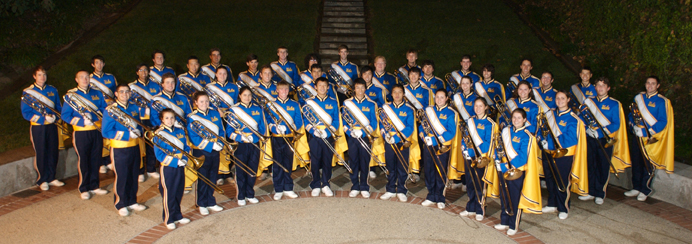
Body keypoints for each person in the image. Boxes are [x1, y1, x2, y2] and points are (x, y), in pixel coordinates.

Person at [489, 108, 542, 236]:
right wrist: (496, 157)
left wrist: (507, 165)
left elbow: (523, 157)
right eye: (514, 117)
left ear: (524, 120)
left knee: (514, 198)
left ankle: (513, 224)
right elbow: (498, 145)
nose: (516, 120)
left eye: (519, 118)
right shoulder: (506, 131)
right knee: (504, 196)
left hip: (516, 171)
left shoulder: (527, 136)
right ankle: (505, 220)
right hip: (502, 168)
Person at [579, 77, 630, 205]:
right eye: (598, 85)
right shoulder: (588, 101)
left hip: (604, 139)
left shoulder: (615, 104)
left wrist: (600, 132)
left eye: (603, 85)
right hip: (590, 138)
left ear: (608, 88)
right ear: (595, 87)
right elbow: (581, 119)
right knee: (590, 164)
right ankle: (590, 191)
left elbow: (616, 124)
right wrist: (586, 129)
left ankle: (600, 193)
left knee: (603, 166)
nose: (600, 88)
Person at [625, 76, 674, 201]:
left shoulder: (662, 101)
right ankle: (636, 187)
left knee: (647, 164)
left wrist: (649, 132)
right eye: (648, 83)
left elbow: (663, 121)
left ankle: (645, 189)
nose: (650, 86)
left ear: (658, 86)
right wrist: (633, 126)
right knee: (636, 162)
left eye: (653, 84)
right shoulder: (638, 98)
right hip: (637, 136)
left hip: (650, 138)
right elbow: (631, 114)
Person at [540, 91, 588, 220]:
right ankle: (552, 203)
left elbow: (570, 138)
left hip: (564, 154)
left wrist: (548, 143)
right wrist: (541, 138)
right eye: (557, 98)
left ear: (568, 100)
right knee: (550, 179)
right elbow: (543, 128)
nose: (559, 100)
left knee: (561, 182)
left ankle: (563, 207)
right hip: (548, 152)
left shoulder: (573, 118)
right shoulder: (550, 114)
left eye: (562, 98)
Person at [61, 70, 109, 200]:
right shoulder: (71, 96)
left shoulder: (97, 93)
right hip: (81, 132)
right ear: (77, 80)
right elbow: (65, 115)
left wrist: (97, 114)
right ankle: (84, 187)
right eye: (82, 77)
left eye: (87, 77)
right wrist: (82, 121)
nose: (85, 79)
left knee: (96, 158)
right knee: (84, 160)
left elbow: (105, 109)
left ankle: (95, 185)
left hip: (96, 130)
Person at [101, 84, 147, 216]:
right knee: (122, 176)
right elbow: (106, 132)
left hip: (135, 146)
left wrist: (139, 131)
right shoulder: (110, 110)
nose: (125, 94)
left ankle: (132, 200)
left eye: (127, 92)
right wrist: (126, 135)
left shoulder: (133, 107)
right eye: (121, 92)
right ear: (116, 94)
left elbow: (139, 124)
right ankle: (120, 203)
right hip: (120, 148)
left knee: (133, 174)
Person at [21, 66, 65, 191]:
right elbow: (26, 113)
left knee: (53, 151)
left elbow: (58, 107)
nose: (42, 77)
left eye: (44, 74)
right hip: (38, 127)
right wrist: (42, 119)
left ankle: (52, 177)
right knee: (41, 152)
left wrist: (55, 118)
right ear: (34, 76)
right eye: (39, 75)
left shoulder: (52, 90)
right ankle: (42, 179)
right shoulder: (28, 92)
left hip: (52, 126)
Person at [227, 87, 267, 206]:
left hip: (255, 142)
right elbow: (229, 130)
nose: (247, 97)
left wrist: (257, 137)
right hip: (241, 144)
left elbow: (262, 127)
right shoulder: (234, 110)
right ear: (240, 95)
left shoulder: (257, 108)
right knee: (241, 170)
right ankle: (240, 195)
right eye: (244, 95)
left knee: (252, 169)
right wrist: (241, 138)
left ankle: (250, 193)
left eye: (249, 95)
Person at [267, 81, 306, 200]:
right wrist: (275, 127)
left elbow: (299, 121)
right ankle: (278, 188)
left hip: (289, 136)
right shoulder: (271, 105)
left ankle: (288, 187)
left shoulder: (295, 104)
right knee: (278, 163)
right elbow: (268, 120)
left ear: (288, 91)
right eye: (281, 89)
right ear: (277, 90)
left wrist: (291, 128)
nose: (283, 92)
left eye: (286, 89)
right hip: (276, 138)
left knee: (288, 162)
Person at [187, 91, 225, 215]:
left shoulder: (215, 113)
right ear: (196, 103)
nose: (204, 103)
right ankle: (201, 203)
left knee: (213, 176)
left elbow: (221, 130)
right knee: (203, 177)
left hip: (215, 149)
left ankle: (210, 200)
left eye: (206, 101)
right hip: (202, 151)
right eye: (201, 101)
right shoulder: (192, 117)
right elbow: (194, 138)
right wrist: (210, 145)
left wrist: (220, 143)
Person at [459, 97, 497, 221]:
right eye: (476, 106)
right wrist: (463, 147)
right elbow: (464, 136)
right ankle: (470, 207)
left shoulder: (490, 123)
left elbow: (487, 144)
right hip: (469, 157)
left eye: (481, 106)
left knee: (479, 184)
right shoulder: (470, 121)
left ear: (486, 107)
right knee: (470, 182)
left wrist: (471, 151)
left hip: (481, 158)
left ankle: (480, 208)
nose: (478, 108)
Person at [304, 77, 344, 197]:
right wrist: (312, 130)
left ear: (328, 87)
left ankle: (326, 183)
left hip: (328, 135)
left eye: (324, 86)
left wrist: (329, 130)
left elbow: (336, 119)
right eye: (319, 85)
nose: (322, 88)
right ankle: (315, 184)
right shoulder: (309, 101)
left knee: (327, 160)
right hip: (315, 135)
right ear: (315, 87)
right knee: (315, 161)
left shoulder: (333, 102)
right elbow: (306, 120)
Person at [419, 89, 458, 209]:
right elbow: (422, 126)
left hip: (442, 145)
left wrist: (436, 140)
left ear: (447, 98)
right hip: (428, 144)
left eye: (442, 97)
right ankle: (431, 194)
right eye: (437, 97)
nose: (439, 100)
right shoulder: (428, 110)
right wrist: (424, 138)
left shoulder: (451, 113)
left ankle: (440, 196)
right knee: (429, 169)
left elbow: (452, 131)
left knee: (440, 170)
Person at [152, 108, 191, 230]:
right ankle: (168, 218)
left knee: (179, 191)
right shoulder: (159, 134)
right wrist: (175, 161)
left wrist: (184, 158)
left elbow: (186, 147)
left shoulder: (180, 131)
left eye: (172, 118)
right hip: (168, 167)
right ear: (162, 119)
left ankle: (177, 215)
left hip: (180, 164)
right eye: (167, 118)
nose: (170, 120)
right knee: (169, 193)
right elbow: (159, 155)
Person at [379, 84, 419, 202]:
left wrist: (396, 138)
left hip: (402, 141)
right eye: (394, 92)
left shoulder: (409, 109)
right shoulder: (385, 107)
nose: (397, 95)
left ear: (403, 94)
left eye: (399, 92)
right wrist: (384, 134)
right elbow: (382, 123)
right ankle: (390, 189)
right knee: (390, 165)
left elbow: (410, 127)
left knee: (402, 165)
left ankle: (402, 189)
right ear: (391, 94)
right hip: (388, 140)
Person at [343, 79, 379, 197]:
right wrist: (350, 132)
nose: (360, 90)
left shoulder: (372, 104)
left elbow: (374, 122)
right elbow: (344, 120)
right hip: (352, 136)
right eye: (357, 87)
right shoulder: (347, 103)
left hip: (365, 137)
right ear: (354, 89)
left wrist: (363, 132)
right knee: (353, 161)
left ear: (365, 88)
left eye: (362, 87)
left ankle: (364, 186)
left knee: (364, 161)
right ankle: (355, 185)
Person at [129, 64, 161, 181]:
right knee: (140, 145)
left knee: (151, 143)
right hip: (139, 118)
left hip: (152, 118)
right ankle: (140, 171)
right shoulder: (132, 87)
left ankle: (151, 169)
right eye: (141, 70)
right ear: (137, 72)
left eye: (146, 70)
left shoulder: (155, 85)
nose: (143, 72)